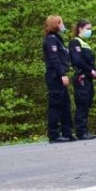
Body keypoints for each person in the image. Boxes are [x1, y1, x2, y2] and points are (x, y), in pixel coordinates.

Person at [42, 14, 74, 143]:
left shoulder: (57, 39)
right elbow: (54, 59)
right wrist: (62, 74)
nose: (62, 25)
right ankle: (54, 135)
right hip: (55, 76)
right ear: (55, 24)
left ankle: (67, 133)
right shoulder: (51, 40)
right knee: (55, 105)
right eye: (60, 22)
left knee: (65, 104)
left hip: (60, 74)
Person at [69, 19, 96, 140]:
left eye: (90, 29)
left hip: (88, 78)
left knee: (87, 104)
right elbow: (77, 61)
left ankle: (84, 131)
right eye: (87, 29)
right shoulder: (75, 42)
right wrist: (92, 71)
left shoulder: (84, 44)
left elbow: (90, 61)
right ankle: (81, 132)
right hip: (81, 77)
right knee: (82, 104)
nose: (90, 31)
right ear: (80, 29)